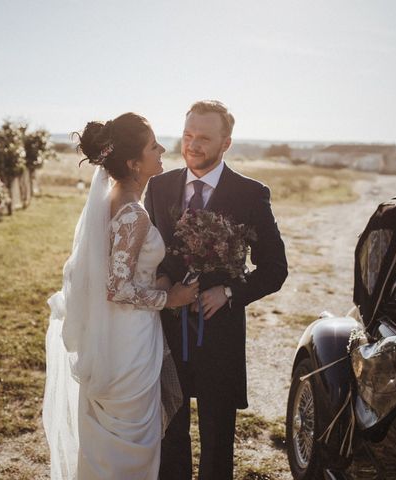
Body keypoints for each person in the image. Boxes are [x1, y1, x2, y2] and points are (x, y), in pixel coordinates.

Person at [43, 112, 199, 479]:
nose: (162, 149)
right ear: (133, 163)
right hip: (130, 341)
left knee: (110, 443)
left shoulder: (114, 200)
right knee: (134, 445)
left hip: (113, 334)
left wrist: (158, 283)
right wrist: (170, 298)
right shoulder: (134, 213)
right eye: (152, 145)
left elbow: (118, 275)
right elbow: (118, 288)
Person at [144, 100, 288, 479]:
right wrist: (162, 283)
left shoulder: (251, 193)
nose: (192, 145)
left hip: (219, 334)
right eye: (188, 135)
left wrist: (228, 293)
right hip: (167, 333)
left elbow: (275, 269)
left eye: (204, 138)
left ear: (226, 143)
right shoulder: (157, 187)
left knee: (217, 440)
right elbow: (150, 253)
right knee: (169, 435)